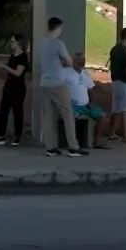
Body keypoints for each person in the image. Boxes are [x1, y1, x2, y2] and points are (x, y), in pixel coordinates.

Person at [37, 16, 84, 157]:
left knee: (48, 115)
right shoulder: (58, 44)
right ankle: (73, 147)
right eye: (61, 28)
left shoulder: (42, 43)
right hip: (57, 82)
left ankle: (50, 147)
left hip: (44, 82)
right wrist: (63, 63)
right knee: (67, 113)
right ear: (57, 27)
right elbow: (69, 62)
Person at [0, 33, 30, 146]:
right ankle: (1, 135)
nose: (11, 43)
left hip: (18, 87)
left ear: (19, 43)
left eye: (12, 41)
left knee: (17, 110)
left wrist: (3, 67)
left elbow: (18, 73)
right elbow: (11, 71)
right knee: (4, 109)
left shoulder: (22, 57)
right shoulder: (12, 56)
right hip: (9, 85)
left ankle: (17, 136)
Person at [64, 51, 111, 149]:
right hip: (73, 105)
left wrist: (92, 102)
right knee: (71, 116)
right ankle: (73, 142)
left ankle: (97, 140)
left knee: (102, 116)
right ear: (74, 60)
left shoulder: (86, 74)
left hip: (86, 106)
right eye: (79, 60)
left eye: (84, 60)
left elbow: (91, 90)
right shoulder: (67, 72)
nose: (82, 62)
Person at [106, 28, 126, 142]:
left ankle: (112, 133)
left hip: (114, 81)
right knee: (125, 109)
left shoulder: (114, 50)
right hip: (124, 83)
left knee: (116, 109)